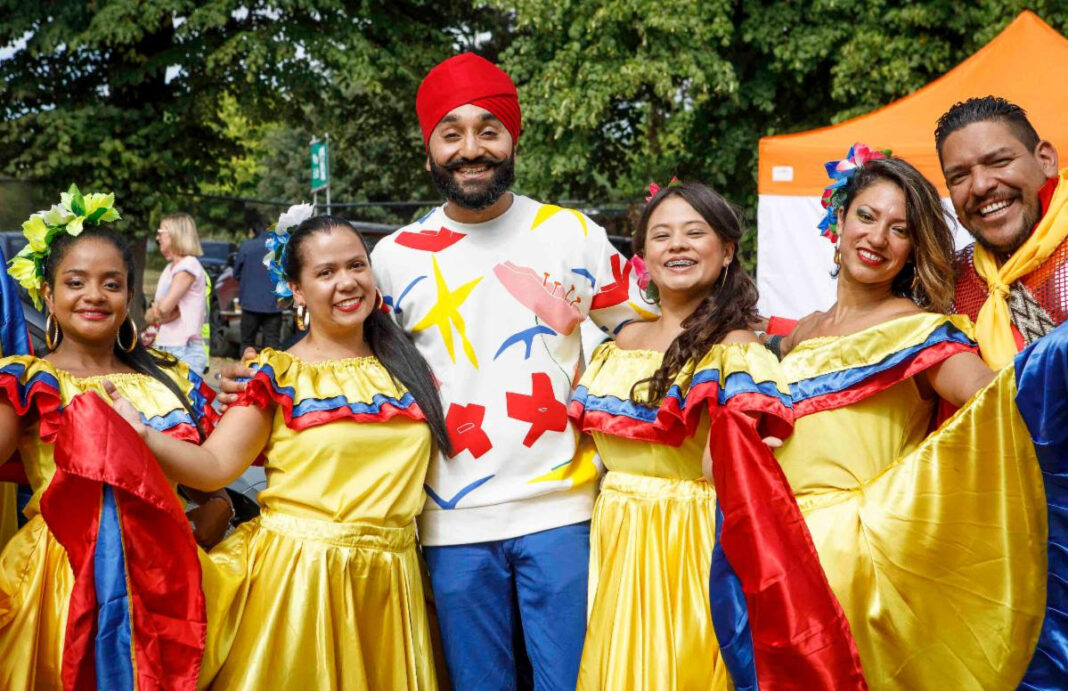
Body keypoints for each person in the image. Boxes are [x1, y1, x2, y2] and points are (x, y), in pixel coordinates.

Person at [218, 53, 653, 689]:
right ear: (429, 151)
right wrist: (252, 376)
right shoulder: (391, 259)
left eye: (488, 130)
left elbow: (640, 330)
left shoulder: (571, 234)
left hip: (564, 510)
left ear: (512, 140)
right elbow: (333, 355)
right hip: (449, 522)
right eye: (451, 134)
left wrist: (724, 341)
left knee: (575, 680)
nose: (471, 149)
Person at [109, 208, 452, 689]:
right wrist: (142, 435)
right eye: (325, 272)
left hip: (391, 582)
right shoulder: (277, 373)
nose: (347, 282)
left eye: (357, 265)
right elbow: (213, 467)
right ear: (297, 290)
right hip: (300, 583)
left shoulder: (410, 367)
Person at [775, 146, 1067, 687]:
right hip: (780, 558)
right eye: (866, 216)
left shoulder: (921, 330)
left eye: (900, 229)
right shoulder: (797, 334)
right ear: (838, 221)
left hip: (860, 567)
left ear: (912, 249)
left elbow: (998, 402)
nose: (877, 238)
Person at [570, 181, 864, 689]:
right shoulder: (616, 344)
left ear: (727, 250)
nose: (677, 245)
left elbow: (733, 463)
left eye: (694, 232)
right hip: (614, 544)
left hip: (692, 548)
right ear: (642, 256)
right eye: (661, 236)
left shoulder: (737, 347)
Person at [0, 188, 226, 690]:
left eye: (112, 284)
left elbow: (215, 493)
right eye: (75, 282)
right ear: (48, 294)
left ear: (130, 296)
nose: (94, 296)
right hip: (59, 585)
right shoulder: (27, 380)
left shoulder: (170, 380)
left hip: (167, 589)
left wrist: (182, 541)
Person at [936, 96, 1066, 368]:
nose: (981, 186)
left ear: (1045, 159)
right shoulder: (948, 288)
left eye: (998, 161)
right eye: (959, 176)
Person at [147, 211, 208, 373]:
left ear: (176, 234)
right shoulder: (170, 269)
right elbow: (154, 314)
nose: (157, 237)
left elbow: (164, 309)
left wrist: (158, 309)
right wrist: (158, 310)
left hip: (183, 350)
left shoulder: (189, 265)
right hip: (166, 346)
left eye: (161, 232)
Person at [234, 213, 282, 353]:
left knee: (247, 344)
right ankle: (269, 373)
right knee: (272, 345)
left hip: (250, 304)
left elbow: (236, 273)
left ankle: (247, 373)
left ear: (253, 230)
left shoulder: (246, 247)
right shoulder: (279, 248)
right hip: (274, 305)